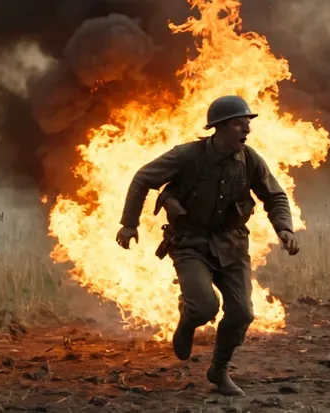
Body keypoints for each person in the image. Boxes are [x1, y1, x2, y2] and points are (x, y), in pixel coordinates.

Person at [114, 95, 300, 396]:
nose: (246, 131)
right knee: (204, 308)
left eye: (247, 124)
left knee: (242, 314)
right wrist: (129, 223)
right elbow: (143, 178)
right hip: (191, 243)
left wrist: (284, 228)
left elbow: (275, 196)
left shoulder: (250, 160)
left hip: (232, 247)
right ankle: (189, 318)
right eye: (239, 125)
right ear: (219, 128)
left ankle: (219, 370)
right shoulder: (187, 156)